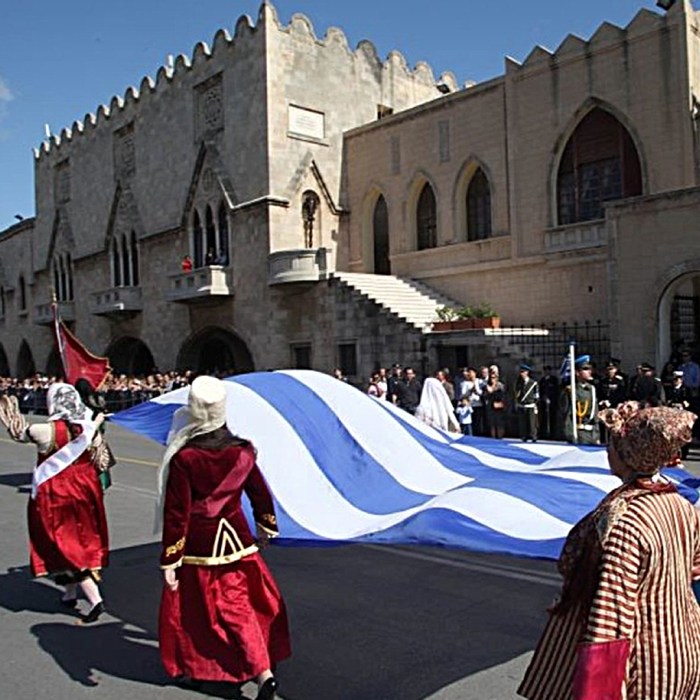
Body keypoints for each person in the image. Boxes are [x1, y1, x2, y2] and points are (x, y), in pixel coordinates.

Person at [518, 402, 700, 700]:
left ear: (628, 456)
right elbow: (695, 565)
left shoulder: (623, 519)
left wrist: (598, 688)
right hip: (686, 645)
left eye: (613, 445)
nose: (607, 451)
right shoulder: (680, 504)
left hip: (649, 662)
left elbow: (611, 613)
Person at [157, 376, 291, 700]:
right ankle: (242, 671)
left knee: (210, 612)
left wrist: (170, 558)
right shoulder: (242, 451)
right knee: (236, 606)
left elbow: (177, 512)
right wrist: (266, 526)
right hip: (237, 538)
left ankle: (243, 673)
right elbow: (259, 492)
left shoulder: (185, 457)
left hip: (200, 544)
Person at [0, 383, 109, 622]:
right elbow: (103, 462)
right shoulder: (90, 428)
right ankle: (69, 594)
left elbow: (19, 433)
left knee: (63, 541)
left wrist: (10, 415)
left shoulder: (44, 430)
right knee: (79, 537)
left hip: (57, 491)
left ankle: (95, 600)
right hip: (85, 489)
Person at [562, 360, 599, 445]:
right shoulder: (571, 390)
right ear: (577, 373)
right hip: (578, 433)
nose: (589, 372)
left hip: (592, 434)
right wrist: (570, 435)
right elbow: (567, 414)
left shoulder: (592, 389)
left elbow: (595, 413)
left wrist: (597, 435)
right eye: (585, 369)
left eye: (590, 369)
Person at [514, 364, 539, 442]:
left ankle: (533, 436)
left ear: (527, 372)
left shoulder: (533, 383)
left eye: (523, 372)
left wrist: (535, 403)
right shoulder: (518, 383)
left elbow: (536, 394)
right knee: (522, 423)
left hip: (530, 404)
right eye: (521, 372)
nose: (522, 374)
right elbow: (517, 393)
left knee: (532, 423)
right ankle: (524, 436)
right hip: (522, 405)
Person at [483, 368, 507, 439]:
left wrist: (493, 391)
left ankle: (500, 437)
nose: (492, 379)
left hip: (499, 406)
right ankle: (493, 437)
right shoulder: (487, 386)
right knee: (492, 424)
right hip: (490, 406)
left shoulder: (500, 385)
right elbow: (485, 396)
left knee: (500, 423)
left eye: (494, 377)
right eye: (491, 377)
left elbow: (503, 395)